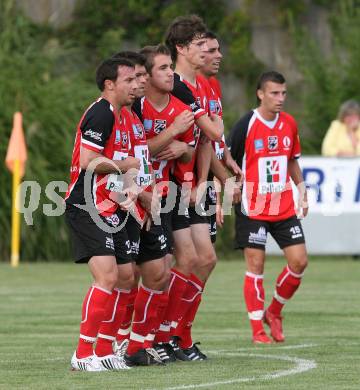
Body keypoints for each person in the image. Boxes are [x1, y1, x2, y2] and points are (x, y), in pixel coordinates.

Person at [65, 57, 142, 370]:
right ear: (110, 84)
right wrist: (126, 167)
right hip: (86, 205)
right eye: (128, 80)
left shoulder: (122, 116)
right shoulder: (101, 113)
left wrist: (130, 188)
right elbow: (88, 161)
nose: (135, 86)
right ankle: (83, 354)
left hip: (110, 204)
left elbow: (119, 165)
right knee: (108, 276)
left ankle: (107, 350)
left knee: (126, 276)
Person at [227, 71, 309, 344]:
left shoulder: (289, 124)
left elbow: (292, 160)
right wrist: (229, 191)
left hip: (283, 206)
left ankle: (274, 312)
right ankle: (256, 330)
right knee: (256, 264)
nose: (280, 98)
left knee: (299, 261)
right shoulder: (245, 125)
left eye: (283, 93)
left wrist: (301, 189)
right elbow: (227, 159)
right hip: (253, 207)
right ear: (260, 94)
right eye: (274, 93)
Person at [163, 15, 223, 360]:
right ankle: (161, 334)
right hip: (167, 184)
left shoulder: (206, 85)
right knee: (176, 260)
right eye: (201, 44)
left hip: (192, 184)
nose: (209, 51)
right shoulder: (172, 84)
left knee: (206, 259)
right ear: (182, 49)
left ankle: (178, 332)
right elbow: (209, 133)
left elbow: (204, 142)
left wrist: (205, 183)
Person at [134, 44, 196, 362]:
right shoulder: (137, 108)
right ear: (146, 76)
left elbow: (188, 149)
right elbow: (140, 151)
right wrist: (171, 134)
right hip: (138, 193)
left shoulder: (179, 106)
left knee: (183, 261)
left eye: (170, 66)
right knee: (140, 271)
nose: (170, 72)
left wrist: (181, 150)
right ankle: (132, 338)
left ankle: (162, 335)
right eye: (162, 68)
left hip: (167, 193)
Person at [197, 30, 242, 243]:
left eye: (219, 50)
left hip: (209, 173)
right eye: (212, 51)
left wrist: (228, 157)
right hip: (192, 177)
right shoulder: (189, 87)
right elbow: (201, 142)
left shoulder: (212, 84)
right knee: (195, 257)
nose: (219, 55)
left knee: (204, 257)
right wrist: (221, 181)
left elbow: (215, 137)